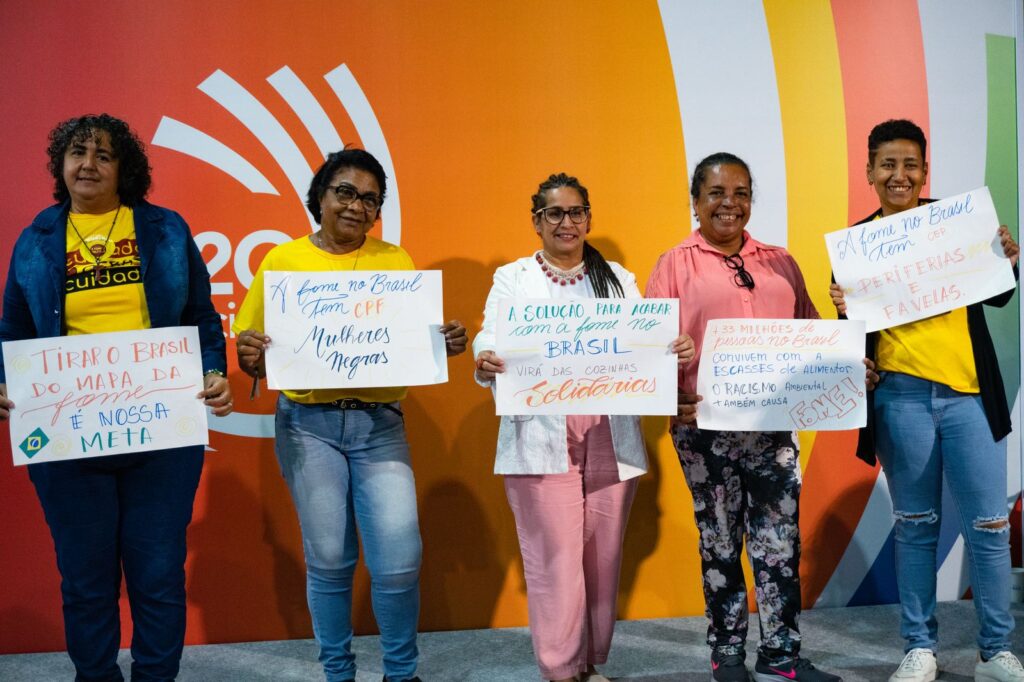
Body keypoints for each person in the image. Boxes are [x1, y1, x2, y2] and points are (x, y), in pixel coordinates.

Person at [0, 113, 232, 681]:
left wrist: (214, 372)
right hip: (67, 435)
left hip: (160, 431)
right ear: (60, 165)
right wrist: (6, 380)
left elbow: (200, 316)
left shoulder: (165, 230)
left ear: (124, 170)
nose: (88, 164)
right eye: (77, 153)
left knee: (157, 573)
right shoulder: (36, 240)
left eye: (104, 155)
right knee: (85, 577)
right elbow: (13, 330)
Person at [233, 148, 467, 682]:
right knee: (331, 561)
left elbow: (415, 338)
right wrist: (250, 352)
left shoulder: (395, 260)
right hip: (308, 425)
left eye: (370, 199)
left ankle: (401, 674)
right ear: (319, 195)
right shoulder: (283, 261)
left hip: (379, 425)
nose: (357, 206)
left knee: (400, 560)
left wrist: (444, 342)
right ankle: (337, 672)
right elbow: (251, 345)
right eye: (345, 191)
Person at [473, 172, 694, 682]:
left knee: (601, 555)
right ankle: (559, 669)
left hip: (608, 431)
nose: (566, 222)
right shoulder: (513, 278)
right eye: (555, 213)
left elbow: (645, 339)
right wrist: (485, 358)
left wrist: (673, 345)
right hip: (539, 430)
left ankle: (588, 663)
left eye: (576, 213)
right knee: (555, 559)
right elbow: (491, 332)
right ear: (537, 221)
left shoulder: (616, 277)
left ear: (588, 219)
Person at [829, 119, 1022, 682]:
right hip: (900, 400)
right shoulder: (855, 248)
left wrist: (1006, 259)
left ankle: (996, 649)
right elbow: (854, 335)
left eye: (910, 164)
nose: (899, 175)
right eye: (887, 164)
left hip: (968, 397)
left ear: (924, 171)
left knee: (989, 525)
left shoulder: (958, 229)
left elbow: (1004, 296)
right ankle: (919, 647)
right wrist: (843, 311)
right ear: (869, 172)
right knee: (914, 524)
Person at [647, 153, 844, 682]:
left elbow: (812, 333)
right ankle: (727, 650)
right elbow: (647, 348)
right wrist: (670, 392)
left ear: (751, 200)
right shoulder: (674, 263)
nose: (728, 203)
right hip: (703, 428)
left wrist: (846, 354)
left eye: (740, 192)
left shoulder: (780, 261)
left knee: (779, 541)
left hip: (774, 429)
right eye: (715, 192)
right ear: (696, 200)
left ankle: (780, 654)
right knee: (719, 540)